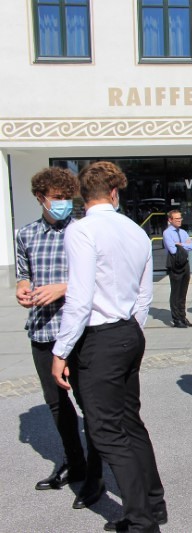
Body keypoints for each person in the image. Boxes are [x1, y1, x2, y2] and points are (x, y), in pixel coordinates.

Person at [52, 161, 167, 532]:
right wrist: (130, 329)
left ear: (82, 195)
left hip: (100, 337)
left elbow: (80, 297)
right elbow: (144, 294)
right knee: (130, 422)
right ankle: (154, 504)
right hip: (128, 330)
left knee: (106, 431)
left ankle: (141, 521)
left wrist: (61, 350)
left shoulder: (81, 230)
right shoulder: (135, 230)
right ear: (114, 193)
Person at [15, 167, 103, 508]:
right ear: (40, 198)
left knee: (88, 403)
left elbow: (99, 277)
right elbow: (24, 273)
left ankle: (95, 474)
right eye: (57, 198)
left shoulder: (82, 232)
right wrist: (23, 289)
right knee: (56, 404)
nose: (64, 203)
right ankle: (74, 463)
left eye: (68, 197)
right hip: (42, 329)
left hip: (78, 330)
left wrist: (63, 288)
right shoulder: (26, 234)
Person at [163, 209, 192, 328]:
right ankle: (176, 319)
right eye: (176, 219)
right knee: (176, 292)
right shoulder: (167, 233)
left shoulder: (183, 232)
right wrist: (183, 246)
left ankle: (183, 316)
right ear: (170, 220)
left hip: (184, 263)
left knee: (183, 292)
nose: (179, 220)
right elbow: (172, 249)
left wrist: (181, 244)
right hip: (175, 263)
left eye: (180, 218)